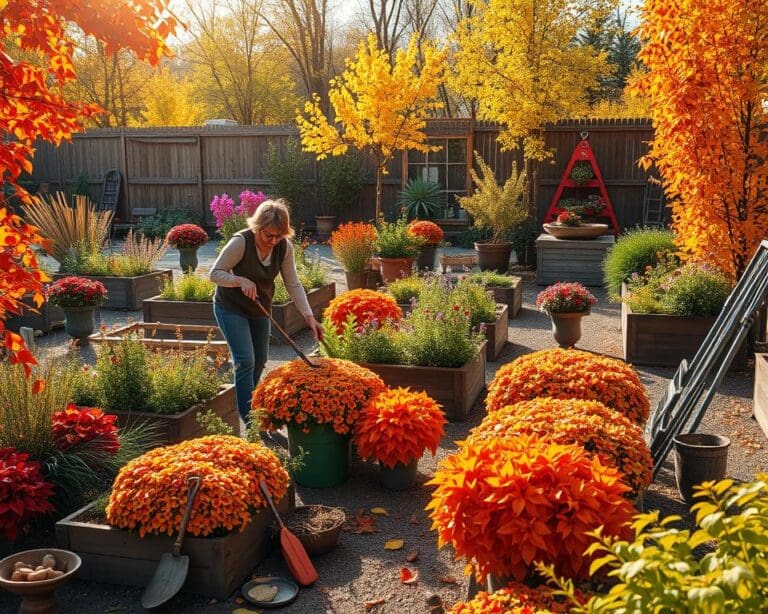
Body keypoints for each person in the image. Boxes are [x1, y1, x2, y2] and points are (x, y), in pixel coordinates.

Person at [210, 199, 324, 425]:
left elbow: (293, 284)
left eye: (278, 236)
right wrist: (239, 280)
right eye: (268, 235)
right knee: (245, 360)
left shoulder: (284, 248)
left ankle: (251, 402)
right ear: (257, 227)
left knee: (261, 360)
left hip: (260, 307)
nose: (273, 241)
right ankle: (250, 420)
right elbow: (215, 274)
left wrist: (309, 317)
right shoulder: (240, 242)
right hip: (230, 307)